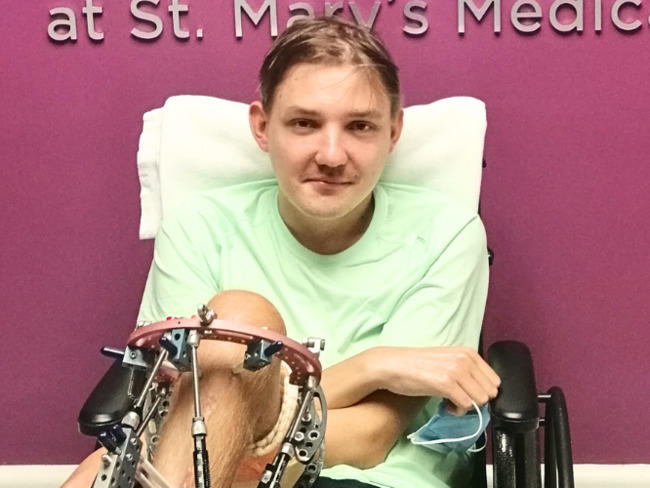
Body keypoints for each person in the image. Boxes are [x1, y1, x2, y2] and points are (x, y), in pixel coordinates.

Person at [62, 16, 500, 488]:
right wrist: (374, 365)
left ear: (393, 132)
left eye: (360, 126)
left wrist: (225, 431)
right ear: (262, 126)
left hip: (370, 479)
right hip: (203, 471)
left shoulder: (447, 236)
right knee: (241, 318)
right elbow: (180, 415)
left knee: (236, 327)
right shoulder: (198, 228)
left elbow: (370, 436)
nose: (331, 155)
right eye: (304, 124)